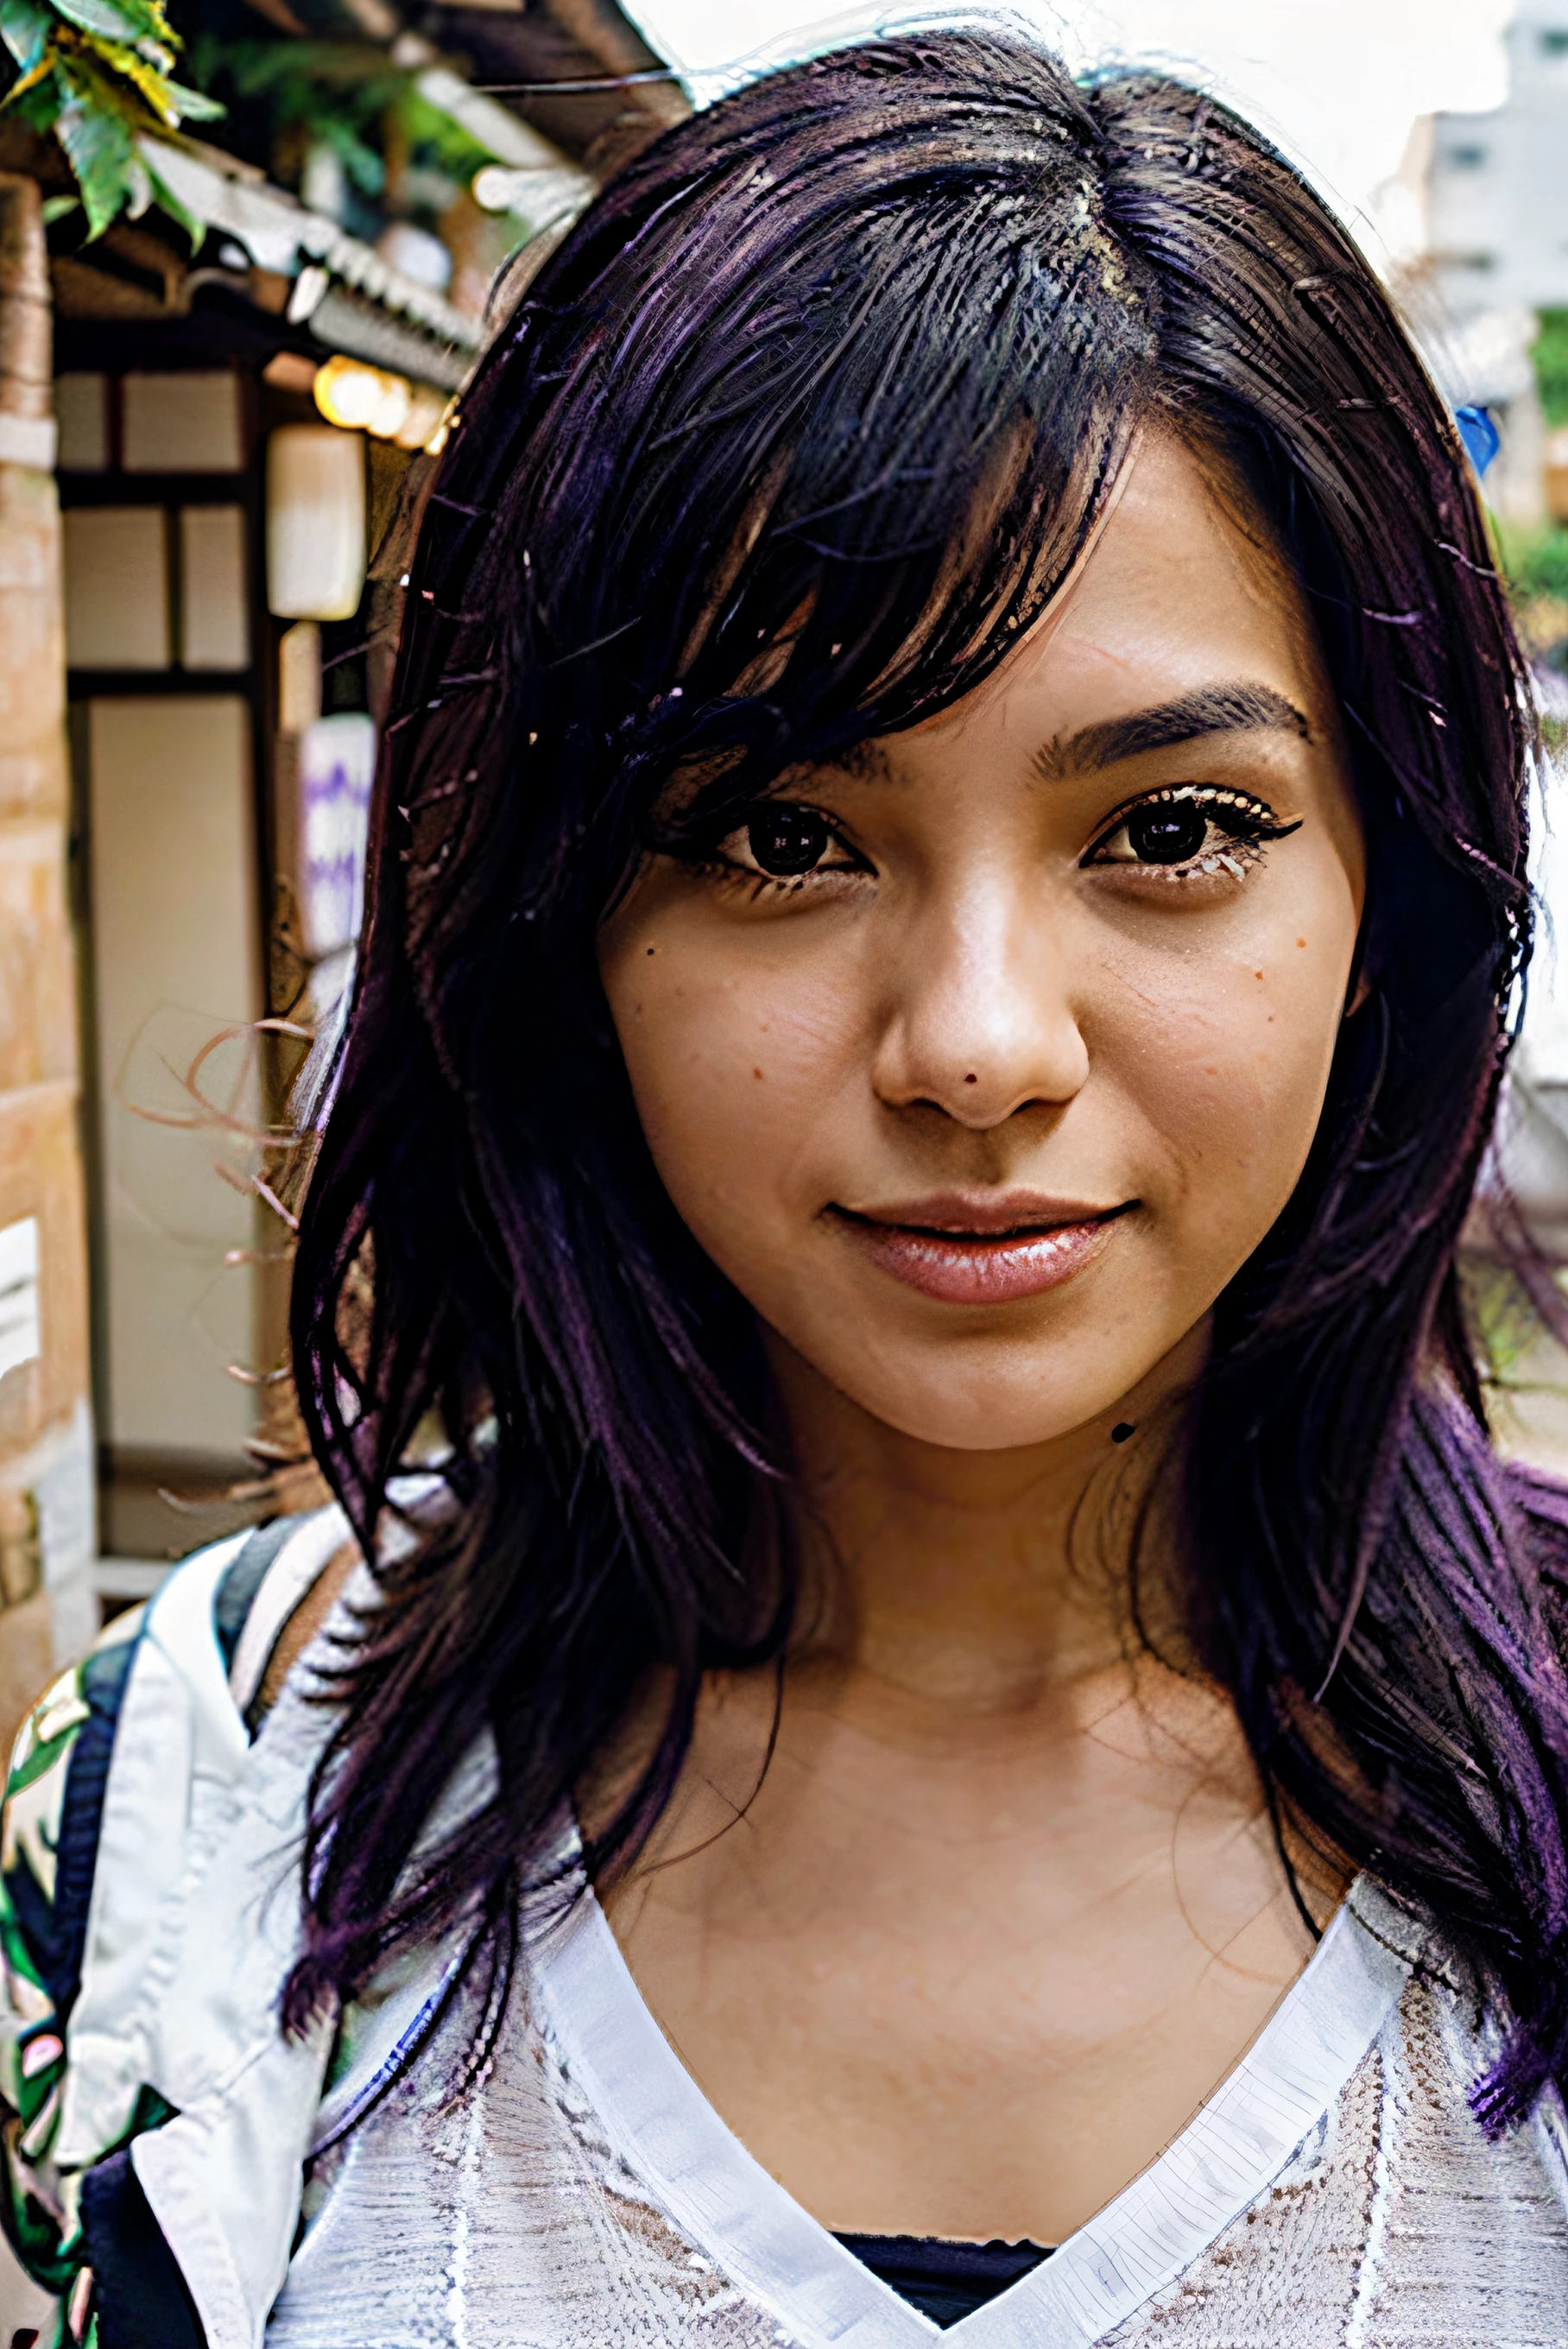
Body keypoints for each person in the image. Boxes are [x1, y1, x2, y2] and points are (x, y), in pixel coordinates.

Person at [5, 28, 1568, 2347]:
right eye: (780, 837)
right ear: (558, 912)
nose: (974, 1044)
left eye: (1167, 832)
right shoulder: (200, 1802)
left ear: (1387, 900)